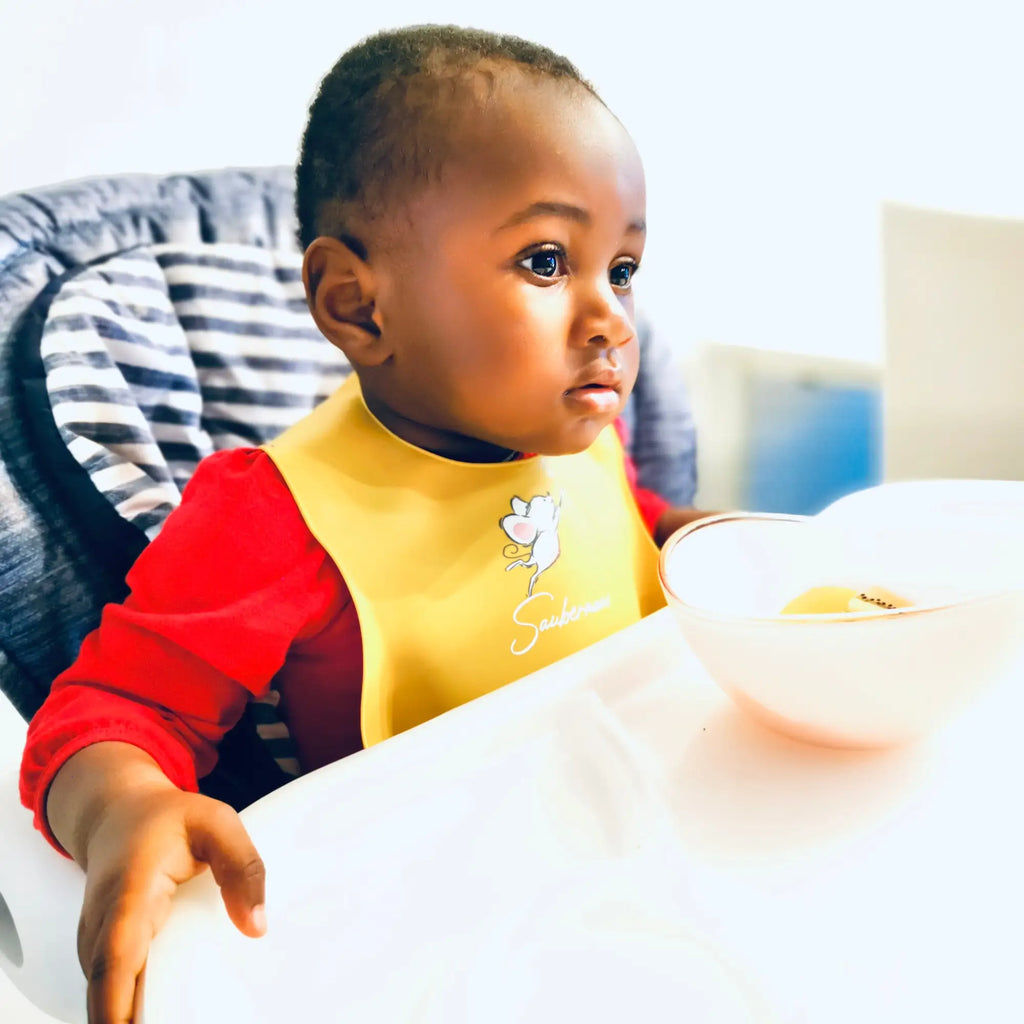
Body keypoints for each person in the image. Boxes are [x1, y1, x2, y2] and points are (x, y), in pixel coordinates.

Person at [19, 24, 710, 1024]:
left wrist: (710, 542)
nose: (610, 318)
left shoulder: (579, 436)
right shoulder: (274, 516)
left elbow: (623, 533)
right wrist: (126, 806)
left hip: (654, 832)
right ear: (357, 306)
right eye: (547, 260)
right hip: (442, 921)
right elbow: (112, 710)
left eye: (624, 269)